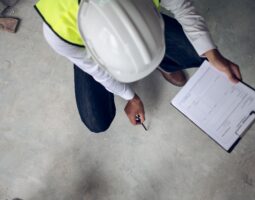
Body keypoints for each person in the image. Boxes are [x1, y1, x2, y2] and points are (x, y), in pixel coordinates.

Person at [34, 0, 242, 133]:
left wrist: (212, 54)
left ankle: (163, 61)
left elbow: (182, 6)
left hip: (142, 24)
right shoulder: (57, 30)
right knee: (96, 120)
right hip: (86, 52)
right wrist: (130, 97)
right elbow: (96, 70)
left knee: (200, 55)